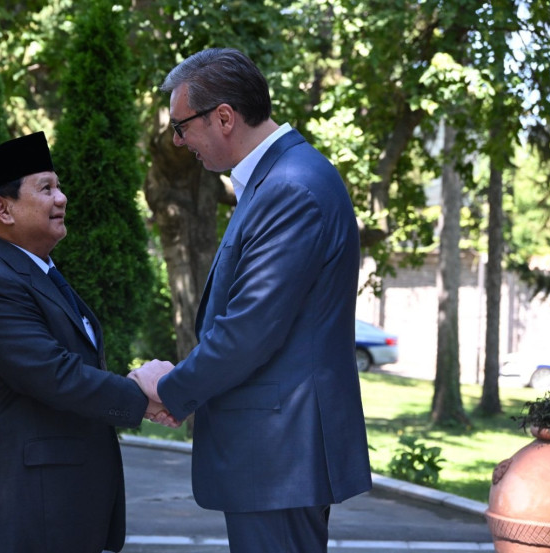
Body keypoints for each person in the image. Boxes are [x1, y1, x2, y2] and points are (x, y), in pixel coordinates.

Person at [129, 48, 372, 552]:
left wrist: (170, 388)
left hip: (281, 457)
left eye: (181, 126)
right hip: (275, 456)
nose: (178, 140)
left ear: (223, 118)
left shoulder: (291, 187)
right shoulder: (277, 180)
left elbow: (248, 330)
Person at [0, 131, 175, 553]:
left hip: (48, 506)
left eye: (59, 186)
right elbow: (56, 375)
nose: (61, 198)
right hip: (17, 511)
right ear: (2, 208)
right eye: (46, 188)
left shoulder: (33, 272)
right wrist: (144, 393)